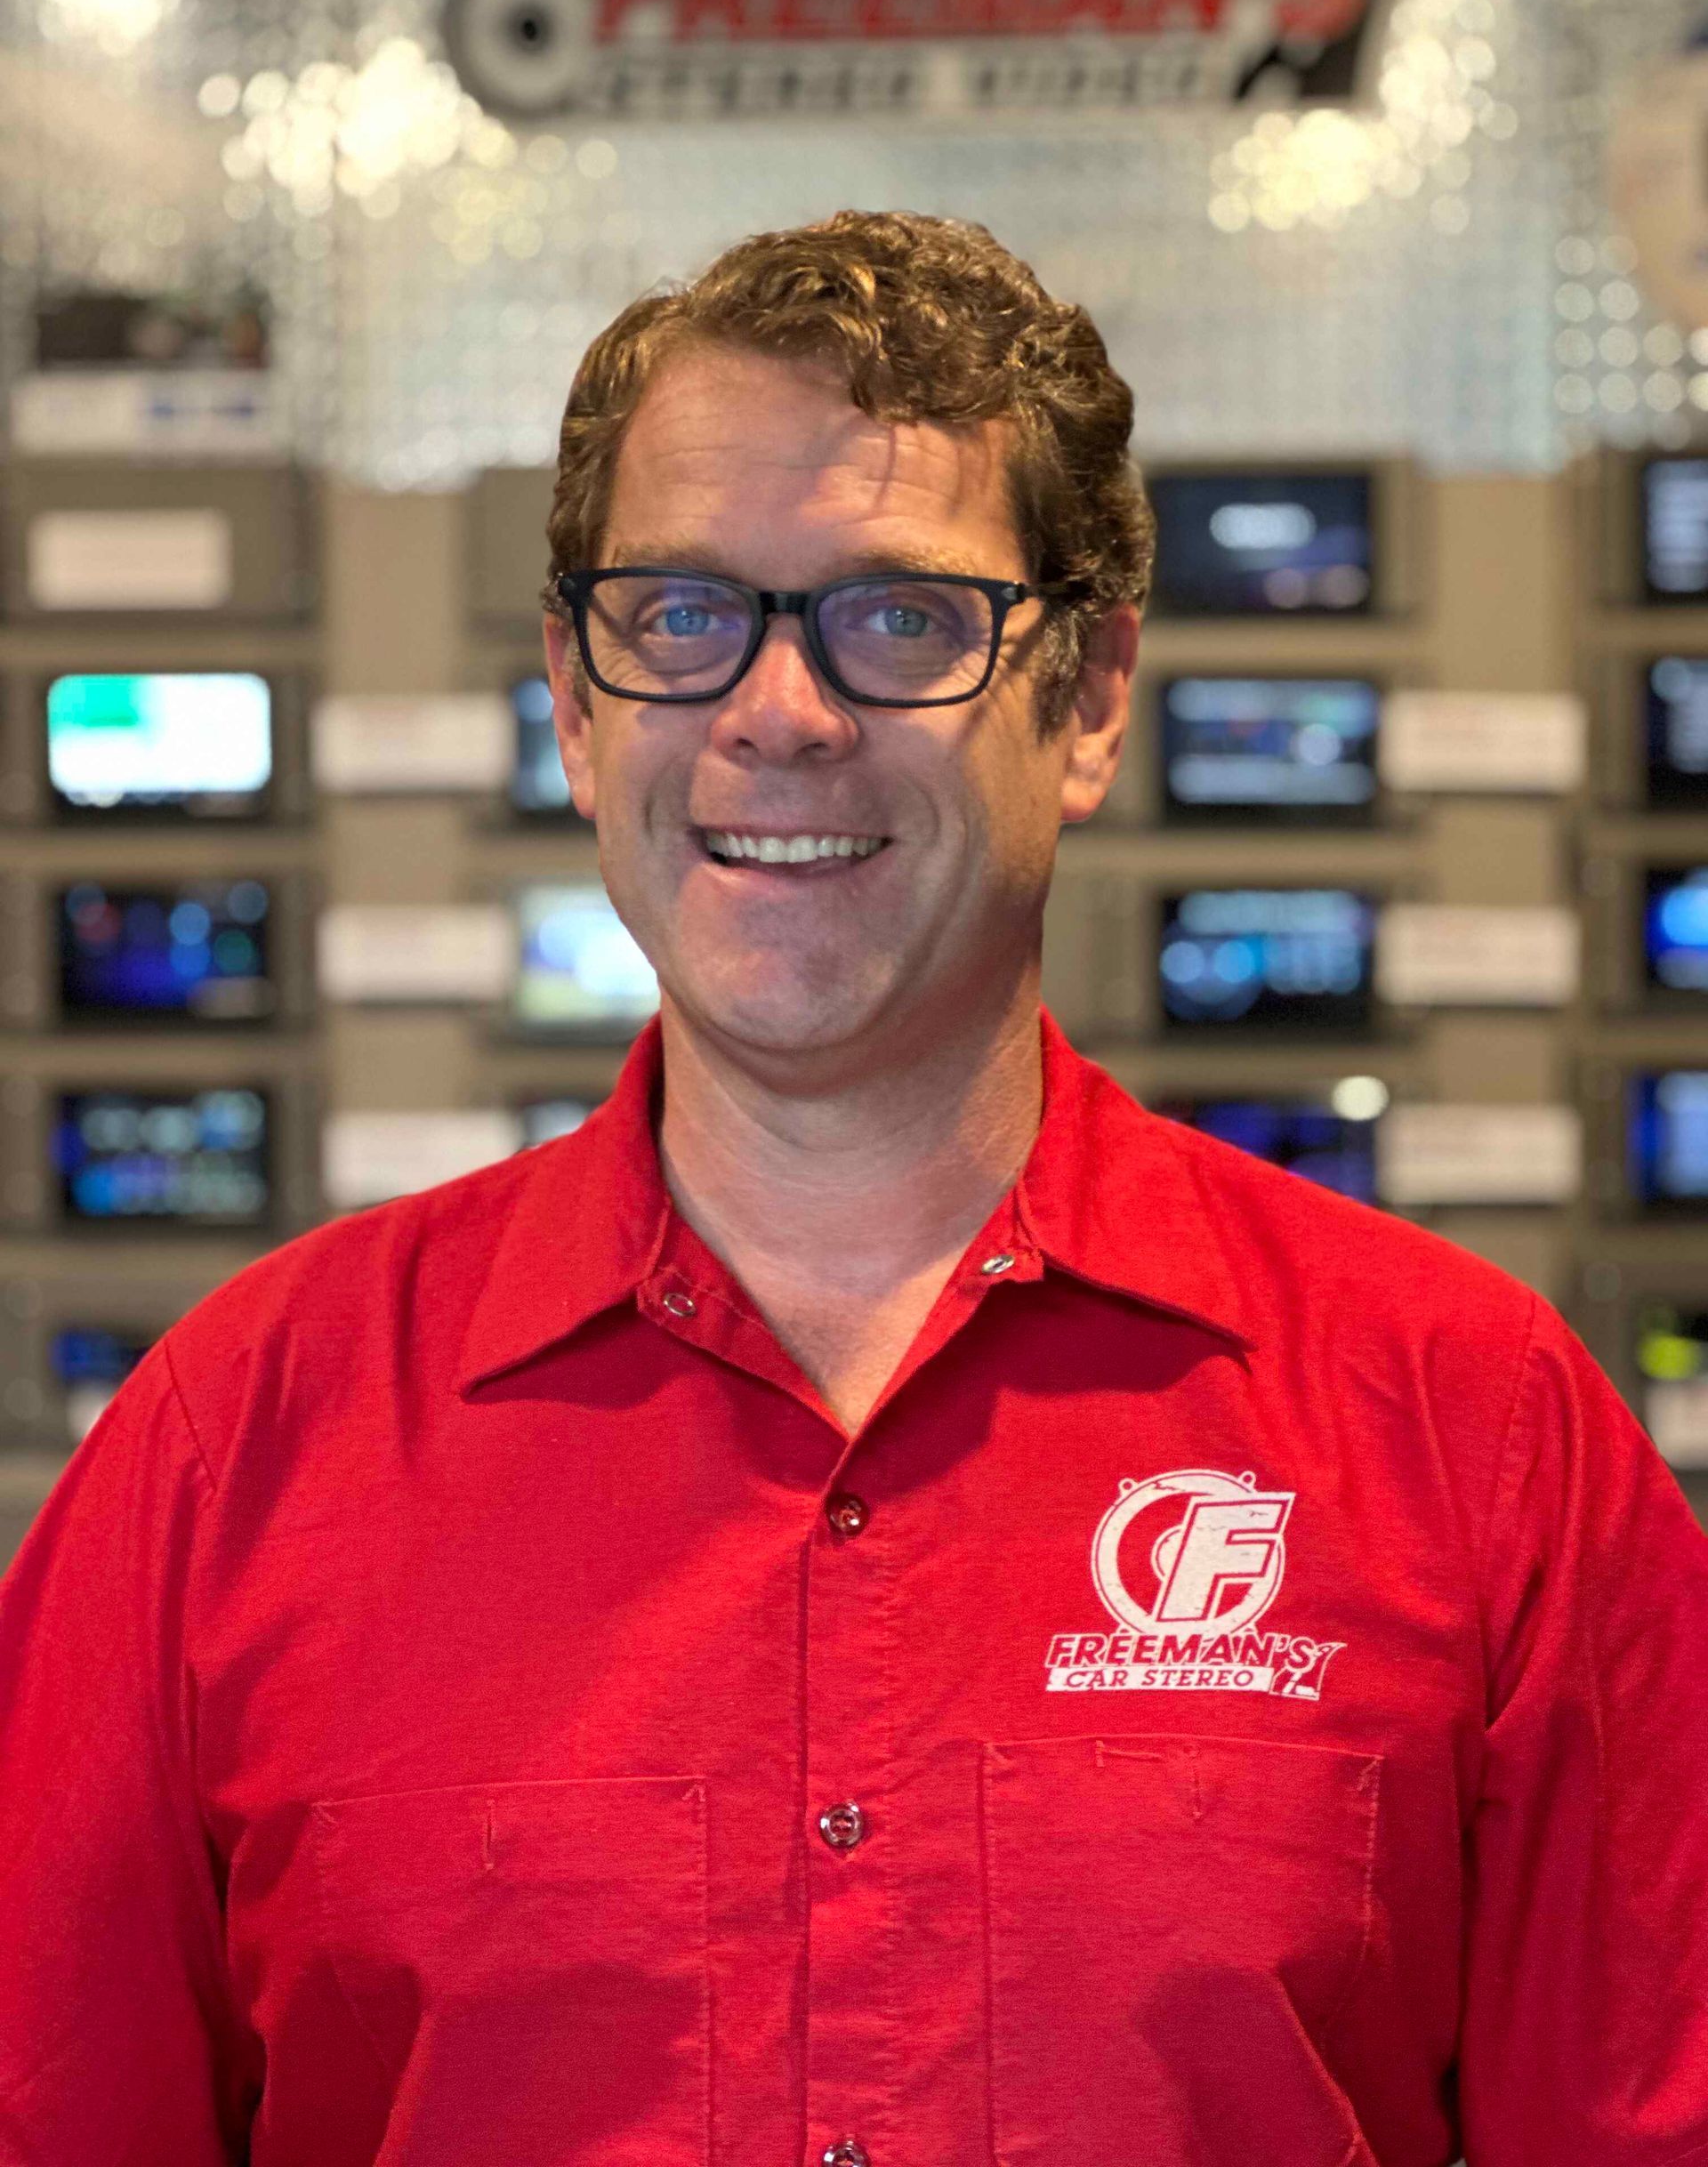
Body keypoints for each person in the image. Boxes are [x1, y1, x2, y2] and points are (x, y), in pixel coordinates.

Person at [1, 209, 1704, 2167]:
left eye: (899, 616)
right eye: (681, 612)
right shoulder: (234, 1450)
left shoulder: (1477, 1432)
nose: (781, 713)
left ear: (1087, 697)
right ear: (573, 694)